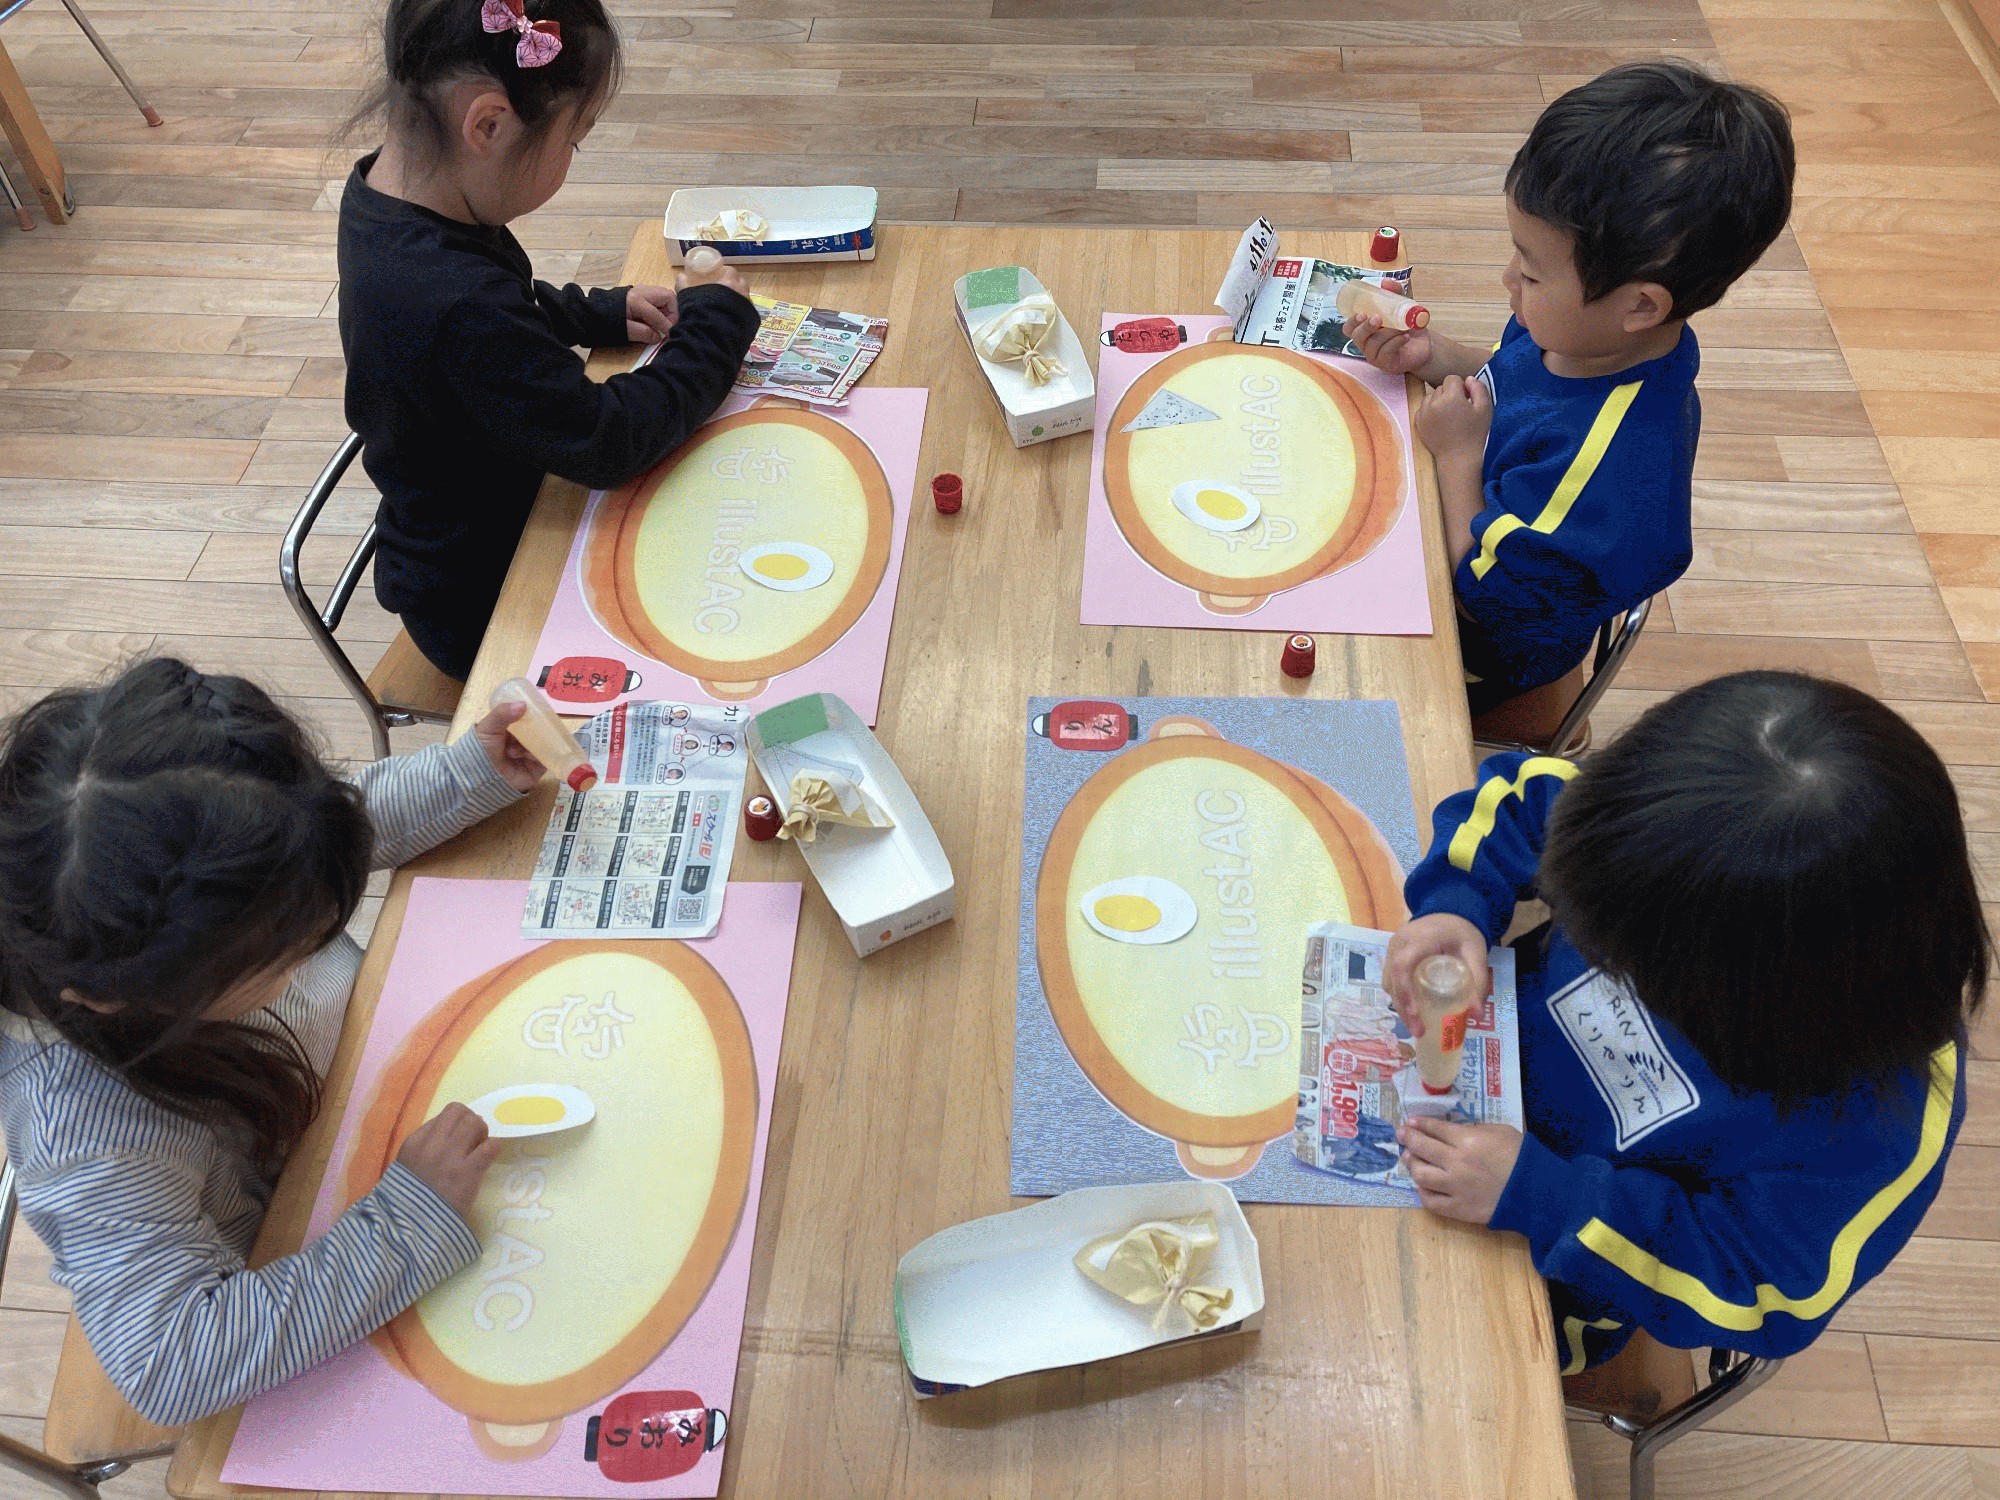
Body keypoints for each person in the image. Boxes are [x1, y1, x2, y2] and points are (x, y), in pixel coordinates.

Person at [1382, 672, 1989, 1373]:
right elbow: (1525, 795)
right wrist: (1454, 905)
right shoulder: (1670, 826)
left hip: (1557, 1269)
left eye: (1636, 969)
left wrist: (1544, 1199)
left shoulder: (1880, 1127)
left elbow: (1764, 1295)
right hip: (1470, 1099)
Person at [0, 658, 549, 1425]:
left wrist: (469, 772)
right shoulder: (92, 1140)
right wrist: (407, 1221)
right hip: (320, 1246)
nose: (312, 942)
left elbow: (321, 834)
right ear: (120, 995)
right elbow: (171, 1364)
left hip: (381, 1085)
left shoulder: (194, 876)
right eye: (287, 952)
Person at [1347, 63, 1795, 718]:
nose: (1508, 281)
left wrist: (1458, 457)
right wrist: (1440, 358)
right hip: (1458, 516)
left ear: (1640, 305)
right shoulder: (1590, 337)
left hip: (1471, 654)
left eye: (1531, 273)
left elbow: (1484, 601)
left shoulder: (1604, 472)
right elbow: (1519, 384)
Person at [338, 0, 760, 680]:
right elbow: (609, 440)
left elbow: (498, 309)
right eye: (573, 140)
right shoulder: (458, 304)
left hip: (482, 531)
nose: (571, 157)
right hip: (488, 602)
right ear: (488, 124)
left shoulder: (388, 200)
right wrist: (717, 325)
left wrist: (594, 314)